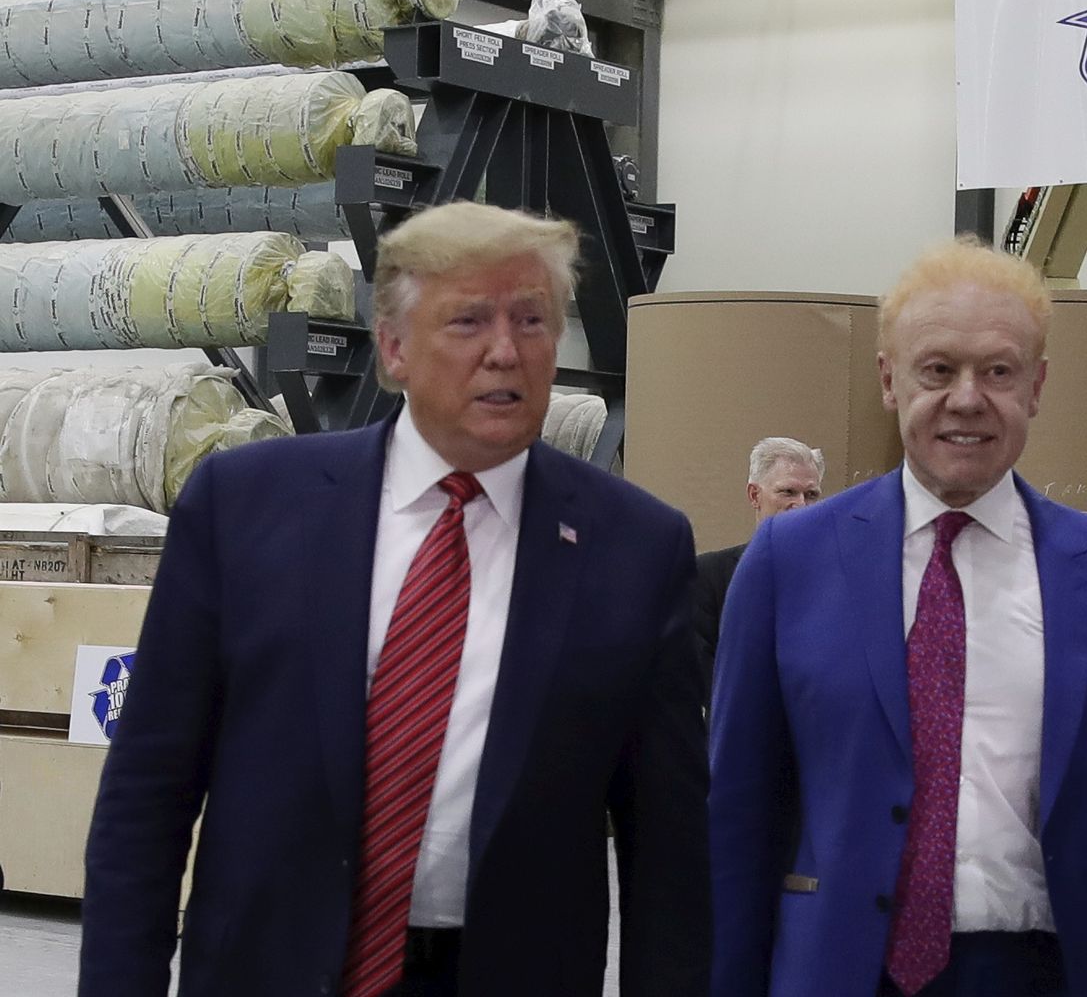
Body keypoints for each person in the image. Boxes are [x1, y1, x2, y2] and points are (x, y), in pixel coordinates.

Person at [80, 202, 709, 997]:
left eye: (531, 320)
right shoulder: (244, 508)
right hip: (272, 970)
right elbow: (148, 793)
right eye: (469, 321)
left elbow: (670, 850)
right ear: (394, 348)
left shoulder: (636, 549)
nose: (505, 351)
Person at [708, 239, 1087, 997]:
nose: (967, 399)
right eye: (937, 370)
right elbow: (739, 820)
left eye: (998, 371)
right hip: (841, 973)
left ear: (1036, 387)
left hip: (1046, 974)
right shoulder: (789, 563)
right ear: (890, 380)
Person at [692, 437, 825, 690]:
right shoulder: (710, 576)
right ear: (755, 495)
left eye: (811, 495)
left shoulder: (837, 580)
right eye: (788, 492)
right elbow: (703, 677)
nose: (801, 504)